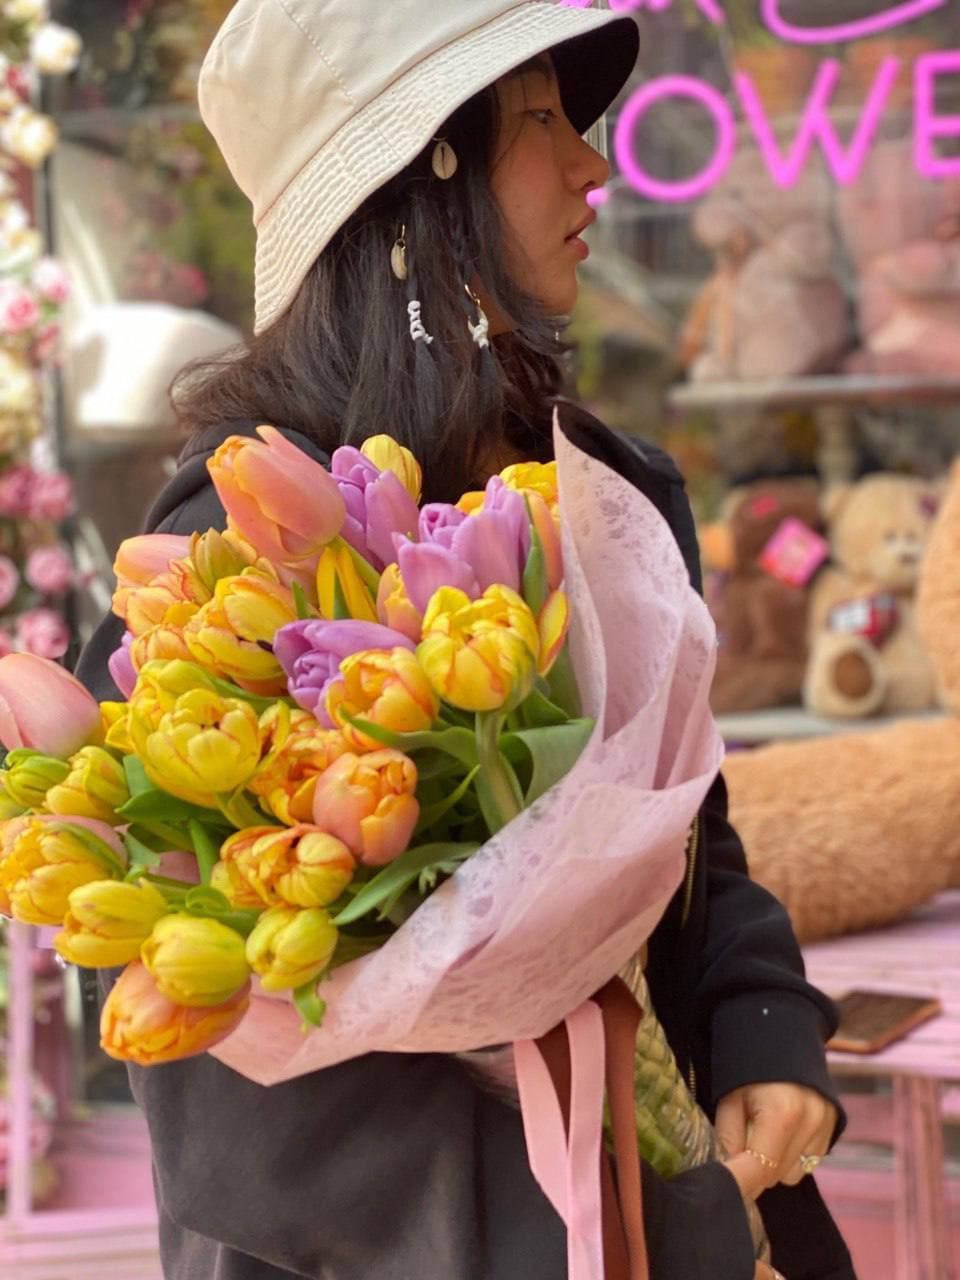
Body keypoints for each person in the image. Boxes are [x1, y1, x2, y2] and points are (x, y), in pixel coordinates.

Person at [76, 2, 857, 1277]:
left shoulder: (607, 488)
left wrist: (762, 1025)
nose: (594, 164)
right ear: (425, 169)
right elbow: (249, 1105)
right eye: (542, 118)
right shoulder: (236, 553)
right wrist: (653, 1216)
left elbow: (690, 839)